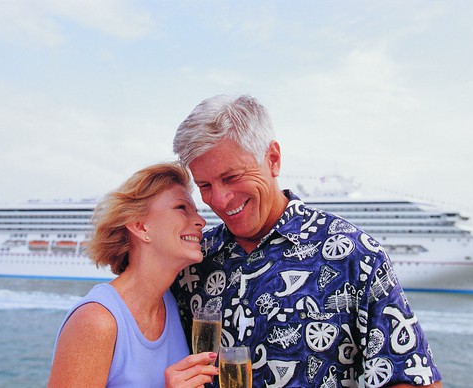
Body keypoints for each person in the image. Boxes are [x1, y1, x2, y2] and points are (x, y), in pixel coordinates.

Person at [171, 95, 443, 387]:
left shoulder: (355, 254)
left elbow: (413, 377)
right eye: (205, 186)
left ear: (273, 159)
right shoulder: (191, 260)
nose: (220, 200)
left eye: (232, 177)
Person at [48, 162, 219, 387]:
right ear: (140, 226)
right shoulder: (96, 323)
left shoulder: (174, 302)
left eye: (196, 211)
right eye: (181, 208)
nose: (201, 221)